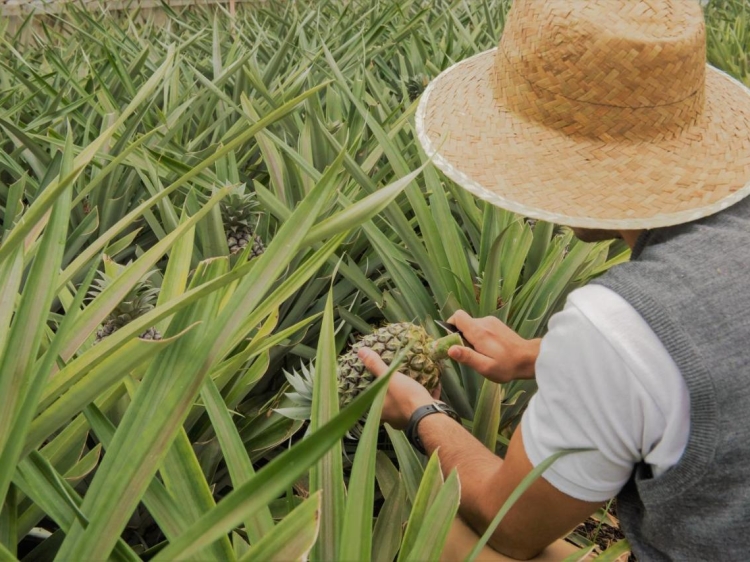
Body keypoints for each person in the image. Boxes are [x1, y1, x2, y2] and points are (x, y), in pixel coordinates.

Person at [358, 0, 750, 560]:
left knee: (432, 532)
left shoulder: (618, 322)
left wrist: (422, 414)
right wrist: (538, 356)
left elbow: (510, 524)